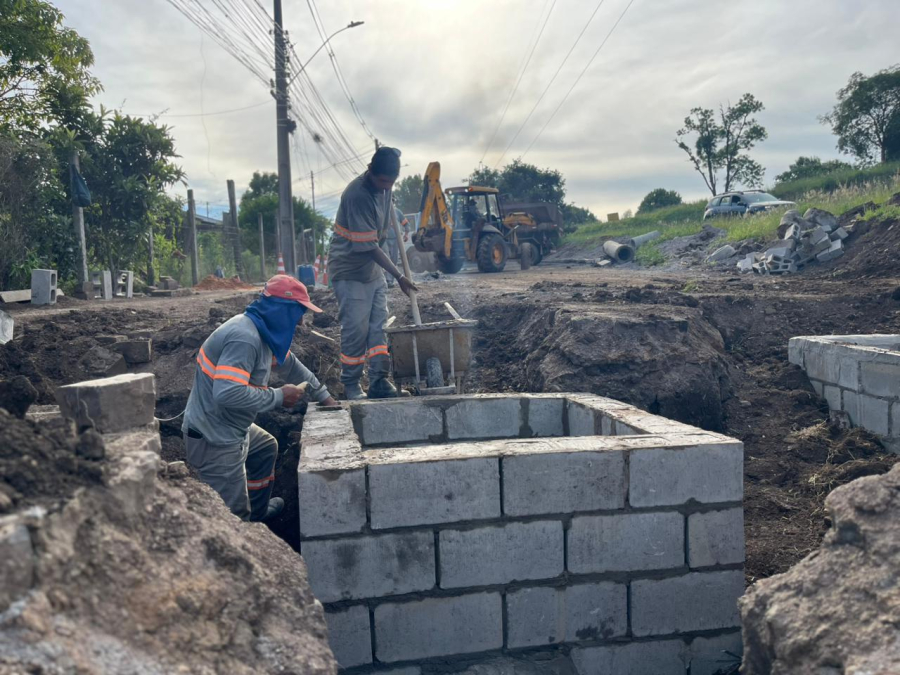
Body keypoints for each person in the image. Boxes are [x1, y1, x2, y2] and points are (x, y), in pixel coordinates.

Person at [182, 274, 337, 521]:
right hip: (214, 436)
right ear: (282, 311)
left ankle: (258, 513)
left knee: (265, 447)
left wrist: (324, 396)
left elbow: (291, 365)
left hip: (230, 424)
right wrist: (278, 396)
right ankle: (247, 529)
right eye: (298, 314)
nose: (300, 323)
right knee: (231, 518)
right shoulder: (245, 338)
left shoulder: (262, 331)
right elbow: (226, 393)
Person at [327, 146, 418, 400]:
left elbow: (384, 234)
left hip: (372, 271)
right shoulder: (358, 195)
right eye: (382, 182)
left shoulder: (385, 189)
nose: (386, 187)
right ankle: (352, 385)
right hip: (349, 271)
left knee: (378, 328)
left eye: (391, 183)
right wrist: (399, 276)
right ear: (370, 171)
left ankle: (379, 381)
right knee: (356, 329)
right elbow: (367, 247)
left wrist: (392, 272)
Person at [381, 202, 410, 287]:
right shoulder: (381, 211)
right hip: (384, 239)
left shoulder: (398, 212)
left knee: (394, 259)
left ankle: (391, 280)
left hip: (396, 239)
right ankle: (388, 280)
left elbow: (406, 224)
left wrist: (406, 234)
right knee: (386, 258)